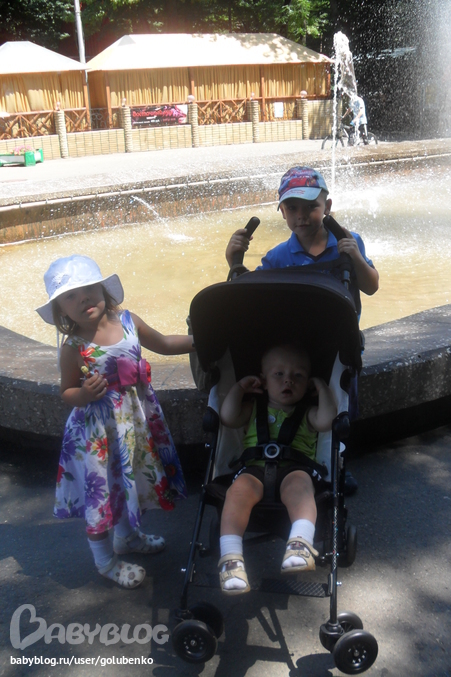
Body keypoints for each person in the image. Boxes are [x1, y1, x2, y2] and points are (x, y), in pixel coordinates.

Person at [36, 255, 195, 589]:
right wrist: (83, 393)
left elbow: (165, 343)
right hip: (97, 433)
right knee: (102, 493)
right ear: (61, 309)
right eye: (70, 296)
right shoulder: (73, 347)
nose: (83, 298)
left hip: (133, 422)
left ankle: (127, 537)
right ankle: (105, 561)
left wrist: (203, 340)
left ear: (103, 290)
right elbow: (66, 391)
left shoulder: (128, 321)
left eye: (88, 288)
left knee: (127, 481)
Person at [225, 166, 379, 495]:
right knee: (295, 405)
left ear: (328, 206)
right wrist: (233, 261)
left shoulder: (348, 243)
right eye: (292, 208)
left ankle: (338, 459)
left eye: (311, 207)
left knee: (342, 404)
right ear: (281, 211)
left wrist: (355, 258)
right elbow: (250, 295)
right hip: (296, 346)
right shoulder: (279, 256)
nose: (301, 216)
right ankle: (293, 455)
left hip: (338, 342)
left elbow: (371, 286)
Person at [218, 343, 337, 595]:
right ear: (263, 380)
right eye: (279, 374)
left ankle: (300, 544)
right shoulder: (252, 408)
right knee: (236, 492)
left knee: (300, 488)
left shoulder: (309, 413)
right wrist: (239, 388)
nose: (288, 381)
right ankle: (231, 559)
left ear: (308, 382)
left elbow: (328, 421)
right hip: (254, 469)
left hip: (295, 468)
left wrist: (323, 389)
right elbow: (227, 417)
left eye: (299, 375)